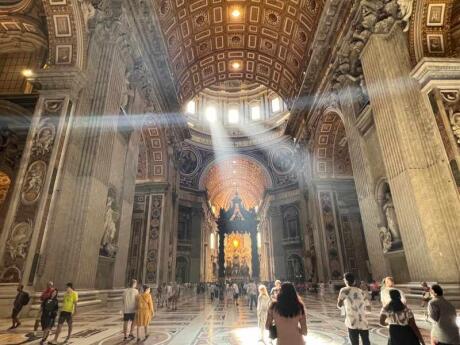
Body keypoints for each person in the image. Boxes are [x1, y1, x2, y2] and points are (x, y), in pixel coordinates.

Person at [337, 272, 371, 345]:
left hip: (352, 321)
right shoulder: (361, 291)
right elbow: (368, 307)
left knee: (354, 342)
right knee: (366, 342)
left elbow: (339, 304)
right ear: (354, 281)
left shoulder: (344, 290)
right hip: (363, 321)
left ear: (345, 281)